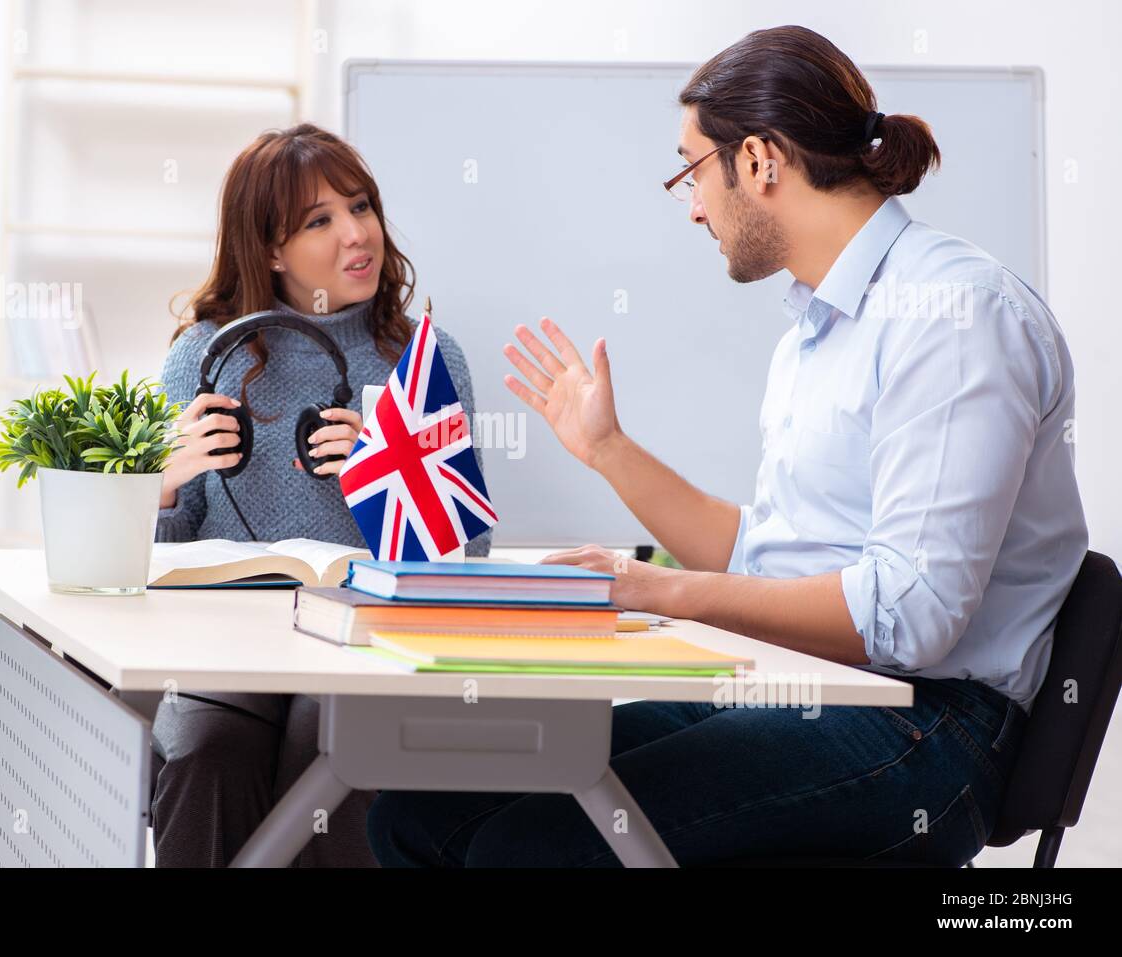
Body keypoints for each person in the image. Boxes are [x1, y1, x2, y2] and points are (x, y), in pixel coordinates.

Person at [366, 25, 1087, 867]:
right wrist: (607, 449)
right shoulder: (815, 331)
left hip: (929, 725)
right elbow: (768, 558)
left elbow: (909, 615)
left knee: (533, 848)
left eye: (691, 171)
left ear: (759, 160)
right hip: (810, 689)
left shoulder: (955, 317)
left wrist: (654, 589)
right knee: (418, 813)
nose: (695, 205)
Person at [149, 123, 491, 867]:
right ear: (271, 249)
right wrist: (162, 489)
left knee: (329, 750)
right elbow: (158, 560)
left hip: (366, 644)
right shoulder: (202, 358)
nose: (356, 235)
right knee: (202, 749)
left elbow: (466, 559)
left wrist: (387, 471)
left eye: (360, 207)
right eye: (320, 221)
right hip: (232, 644)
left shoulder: (427, 359)